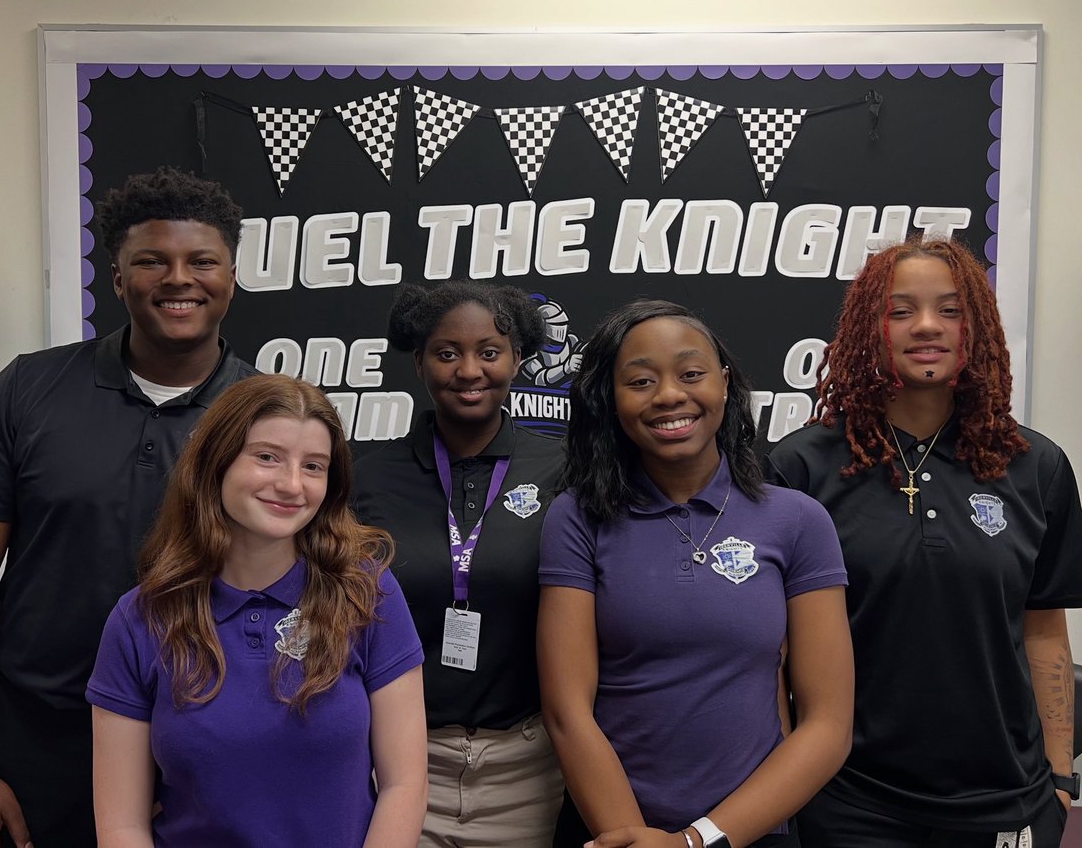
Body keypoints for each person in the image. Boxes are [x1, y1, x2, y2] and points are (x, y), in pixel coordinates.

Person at [0, 167, 256, 848]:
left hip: (202, 749)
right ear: (116, 277)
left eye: (202, 261)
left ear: (232, 275)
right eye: (151, 261)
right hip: (39, 747)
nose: (178, 279)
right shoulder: (28, 390)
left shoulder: (269, 413)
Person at [767, 236, 1082, 847]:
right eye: (900, 310)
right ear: (868, 327)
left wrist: (1062, 777)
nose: (927, 327)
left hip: (1005, 799)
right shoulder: (800, 467)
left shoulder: (1036, 466)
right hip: (848, 800)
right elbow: (773, 655)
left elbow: (1043, 629)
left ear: (977, 328)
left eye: (951, 309)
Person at [539, 299, 854, 848]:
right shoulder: (577, 517)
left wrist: (695, 841)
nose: (668, 395)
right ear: (610, 400)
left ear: (725, 384)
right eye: (639, 381)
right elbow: (568, 710)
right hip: (610, 830)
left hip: (749, 831)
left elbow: (828, 727)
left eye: (691, 374)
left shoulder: (798, 520)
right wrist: (632, 839)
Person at [86, 374, 427, 846]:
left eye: (313, 466)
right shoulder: (140, 620)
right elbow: (123, 825)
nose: (291, 484)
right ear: (216, 462)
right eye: (267, 457)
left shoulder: (366, 592)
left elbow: (404, 784)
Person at [352, 281, 567, 847]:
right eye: (447, 353)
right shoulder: (367, 481)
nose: (469, 370)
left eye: (489, 352)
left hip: (526, 770)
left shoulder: (563, 472)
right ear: (419, 364)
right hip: (394, 765)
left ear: (518, 359)